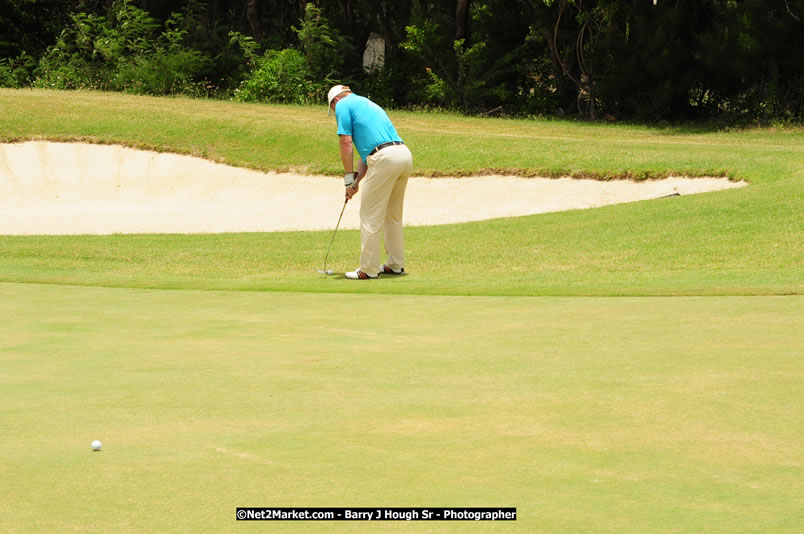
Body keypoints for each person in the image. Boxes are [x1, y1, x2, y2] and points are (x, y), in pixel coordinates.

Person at [328, 84, 413, 280]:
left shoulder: (342, 105)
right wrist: (355, 182)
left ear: (335, 101)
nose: (335, 114)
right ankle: (395, 265)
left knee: (369, 215)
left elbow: (346, 142)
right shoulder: (367, 103)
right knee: (392, 215)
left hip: (384, 159)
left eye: (332, 110)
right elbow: (368, 155)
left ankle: (369, 269)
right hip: (402, 155)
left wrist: (348, 176)